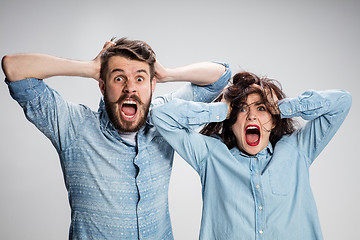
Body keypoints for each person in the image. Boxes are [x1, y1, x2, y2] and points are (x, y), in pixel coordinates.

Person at [2, 37, 231, 239]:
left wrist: (167, 74)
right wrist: (89, 68)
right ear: (102, 86)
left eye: (140, 79)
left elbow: (219, 77)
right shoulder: (74, 126)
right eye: (119, 78)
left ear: (153, 86)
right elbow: (14, 68)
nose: (130, 88)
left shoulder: (165, 120)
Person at [151, 71, 352, 239]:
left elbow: (342, 101)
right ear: (231, 121)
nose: (252, 115)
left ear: (273, 121)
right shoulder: (211, 156)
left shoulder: (298, 149)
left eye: (261, 108)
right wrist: (223, 109)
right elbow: (161, 115)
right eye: (242, 109)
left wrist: (282, 107)